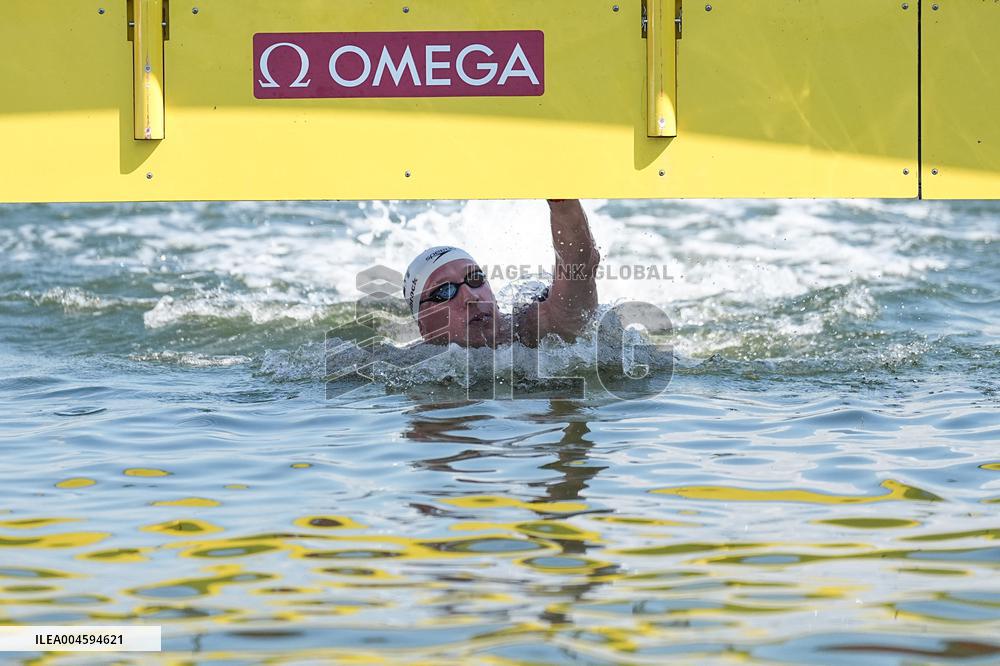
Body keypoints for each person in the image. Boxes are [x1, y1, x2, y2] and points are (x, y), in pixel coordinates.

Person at [402, 199, 600, 348]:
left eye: (476, 279)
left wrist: (560, 199)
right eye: (445, 291)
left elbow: (578, 267)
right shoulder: (407, 369)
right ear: (424, 328)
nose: (471, 297)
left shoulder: (528, 330)